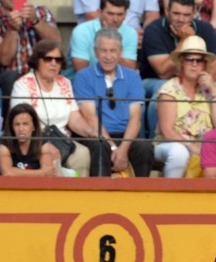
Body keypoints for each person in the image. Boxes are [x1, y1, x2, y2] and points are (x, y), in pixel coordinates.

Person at [73, 27, 153, 177]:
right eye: (103, 51)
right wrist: (113, 148)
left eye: (113, 51)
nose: (108, 56)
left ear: (120, 52)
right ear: (96, 52)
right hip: (98, 135)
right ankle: (100, 196)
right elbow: (90, 118)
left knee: (144, 146)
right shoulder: (83, 76)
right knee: (99, 145)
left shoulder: (132, 77)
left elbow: (135, 118)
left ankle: (141, 195)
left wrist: (122, 149)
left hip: (125, 135)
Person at [10, 38, 95, 176]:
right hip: (34, 140)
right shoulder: (23, 85)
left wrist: (90, 131)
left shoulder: (65, 83)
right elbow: (21, 121)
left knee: (83, 154)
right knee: (50, 154)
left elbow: (74, 118)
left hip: (62, 139)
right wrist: (44, 143)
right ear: (37, 61)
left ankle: (79, 195)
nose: (53, 63)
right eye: (48, 59)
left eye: (58, 60)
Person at [139, 0, 216, 136]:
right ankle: (154, 143)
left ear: (194, 13)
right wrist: (185, 40)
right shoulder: (154, 29)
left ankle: (214, 141)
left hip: (193, 79)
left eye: (186, 15)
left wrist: (195, 77)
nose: (181, 20)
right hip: (152, 80)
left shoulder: (206, 29)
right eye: (176, 14)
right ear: (167, 11)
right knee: (162, 90)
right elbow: (163, 72)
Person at [153, 34, 216, 177]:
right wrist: (193, 147)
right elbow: (167, 131)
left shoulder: (209, 89)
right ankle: (172, 193)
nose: (194, 64)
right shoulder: (170, 89)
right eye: (189, 59)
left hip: (204, 147)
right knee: (180, 152)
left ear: (205, 65)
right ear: (181, 63)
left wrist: (214, 92)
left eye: (199, 60)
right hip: (169, 145)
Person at [0, 0, 60, 115]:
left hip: (40, 77)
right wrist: (12, 29)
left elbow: (56, 42)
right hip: (10, 82)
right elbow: (4, 59)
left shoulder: (42, 12)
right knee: (10, 78)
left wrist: (36, 21)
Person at [68, 0, 138, 73]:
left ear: (126, 14)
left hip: (116, 81)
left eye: (120, 14)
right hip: (81, 82)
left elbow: (130, 70)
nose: (115, 19)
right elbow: (81, 71)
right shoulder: (82, 31)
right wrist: (105, 35)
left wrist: (111, 37)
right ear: (100, 12)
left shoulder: (131, 33)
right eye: (110, 14)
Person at [0, 101, 58, 175]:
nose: (21, 129)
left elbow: (48, 174)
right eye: (17, 124)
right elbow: (7, 173)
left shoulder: (42, 141)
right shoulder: (4, 141)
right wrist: (40, 173)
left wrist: (16, 172)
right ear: (12, 127)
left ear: (34, 126)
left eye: (25, 124)